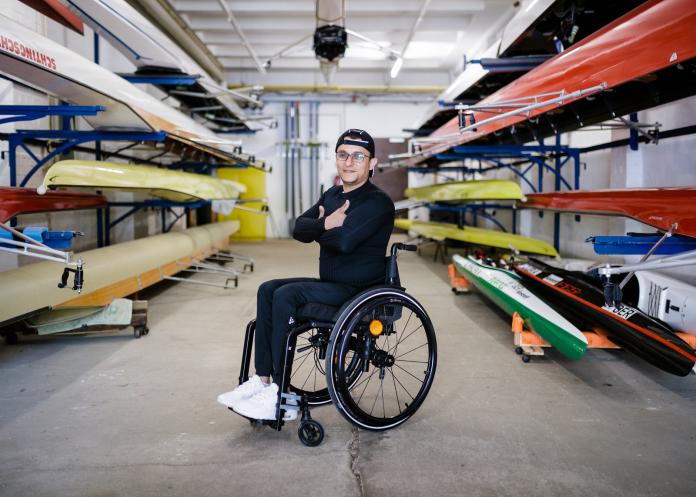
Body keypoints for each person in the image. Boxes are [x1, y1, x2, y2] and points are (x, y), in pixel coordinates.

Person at [217, 129, 395, 420]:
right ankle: (262, 381)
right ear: (336, 158)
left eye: (358, 156)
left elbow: (346, 242)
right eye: (343, 154)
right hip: (331, 283)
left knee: (288, 294)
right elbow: (298, 228)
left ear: (371, 163)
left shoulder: (377, 202)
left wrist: (320, 228)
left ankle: (280, 391)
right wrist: (326, 225)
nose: (349, 162)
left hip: (359, 292)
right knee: (267, 288)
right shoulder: (333, 195)